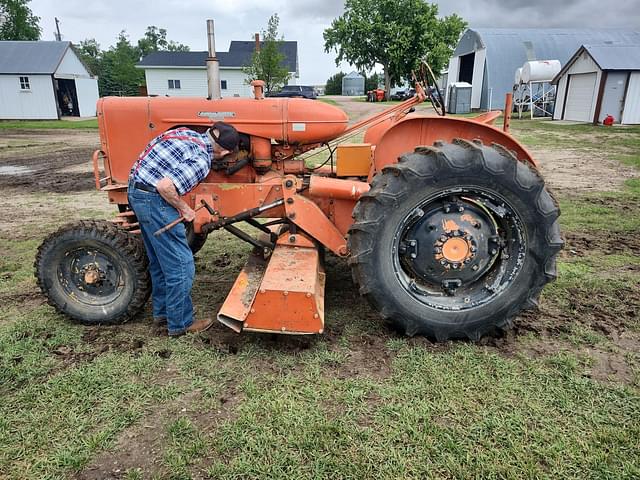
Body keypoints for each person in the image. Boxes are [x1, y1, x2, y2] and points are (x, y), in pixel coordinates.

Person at [128, 122, 240, 336]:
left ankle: (162, 316)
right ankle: (180, 324)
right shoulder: (201, 160)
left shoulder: (184, 133)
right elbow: (164, 186)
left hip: (136, 191)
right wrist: (184, 209)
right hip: (154, 198)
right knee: (181, 265)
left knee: (160, 262)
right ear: (224, 151)